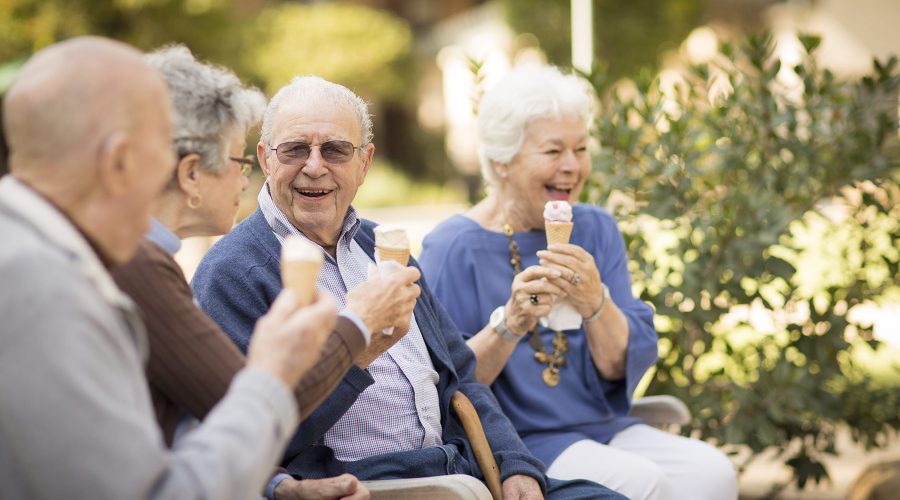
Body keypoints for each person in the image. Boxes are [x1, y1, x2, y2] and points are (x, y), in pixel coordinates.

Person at [191, 75, 624, 499]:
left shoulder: (382, 246)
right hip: (378, 486)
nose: (315, 166)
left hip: (463, 471)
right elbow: (251, 439)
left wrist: (513, 464)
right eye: (295, 149)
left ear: (365, 162)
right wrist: (356, 346)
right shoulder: (233, 273)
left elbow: (462, 377)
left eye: (337, 150)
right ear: (266, 159)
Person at [0, 36, 337, 500]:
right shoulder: (46, 289)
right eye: (163, 156)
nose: (176, 177)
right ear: (118, 161)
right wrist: (271, 375)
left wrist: (276, 485)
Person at [418, 64, 739, 500]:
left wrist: (596, 304)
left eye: (581, 148)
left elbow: (618, 366)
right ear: (502, 160)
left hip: (601, 426)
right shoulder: (452, 246)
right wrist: (511, 323)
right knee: (644, 482)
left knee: (711, 473)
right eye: (553, 152)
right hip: (514, 444)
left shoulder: (598, 229)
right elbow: (444, 385)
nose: (572, 166)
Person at [110, 46, 370, 500]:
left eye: (334, 150)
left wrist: (277, 487)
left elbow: (200, 418)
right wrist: (360, 324)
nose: (246, 182)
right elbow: (244, 406)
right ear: (192, 175)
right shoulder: (140, 265)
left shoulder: (135, 257)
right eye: (242, 162)